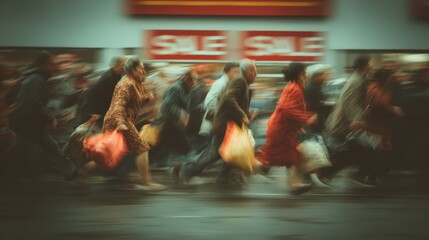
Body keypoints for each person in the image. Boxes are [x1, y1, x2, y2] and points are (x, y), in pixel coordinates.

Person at [76, 58, 164, 191]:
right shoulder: (126, 84)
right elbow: (118, 105)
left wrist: (144, 98)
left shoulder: (133, 83)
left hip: (120, 120)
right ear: (134, 70)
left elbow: (132, 102)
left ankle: (83, 171)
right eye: (141, 69)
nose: (144, 72)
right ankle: (146, 182)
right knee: (142, 148)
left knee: (111, 153)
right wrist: (120, 123)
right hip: (120, 121)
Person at [174, 58, 256, 186]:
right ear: (249, 71)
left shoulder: (244, 82)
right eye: (255, 71)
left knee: (226, 154)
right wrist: (242, 114)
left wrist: (247, 114)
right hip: (224, 126)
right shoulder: (240, 81)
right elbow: (229, 98)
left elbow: (236, 102)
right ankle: (186, 170)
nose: (256, 74)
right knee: (213, 154)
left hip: (230, 126)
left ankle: (223, 178)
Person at [9, 51, 74, 178]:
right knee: (48, 147)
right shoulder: (36, 80)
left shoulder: (35, 78)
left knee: (18, 149)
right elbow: (35, 103)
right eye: (51, 64)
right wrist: (50, 118)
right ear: (44, 64)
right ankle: (72, 173)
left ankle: (71, 172)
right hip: (28, 123)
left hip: (26, 122)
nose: (54, 67)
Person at [257, 62, 317, 194]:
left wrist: (299, 125)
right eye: (304, 73)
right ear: (299, 74)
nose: (306, 76)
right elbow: (287, 109)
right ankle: (295, 185)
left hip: (282, 128)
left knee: (285, 156)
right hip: (281, 129)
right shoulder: (294, 88)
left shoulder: (293, 86)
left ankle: (294, 184)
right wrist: (306, 118)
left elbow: (289, 109)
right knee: (291, 155)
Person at [320, 55, 376, 185]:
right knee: (362, 150)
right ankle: (328, 173)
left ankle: (327, 174)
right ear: (364, 65)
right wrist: (357, 122)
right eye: (370, 63)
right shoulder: (356, 80)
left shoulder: (359, 78)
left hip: (347, 123)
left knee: (350, 151)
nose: (372, 66)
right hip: (346, 123)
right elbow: (350, 103)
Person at [149, 69, 197, 167]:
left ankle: (148, 160)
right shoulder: (176, 88)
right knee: (186, 146)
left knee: (161, 144)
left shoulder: (184, 88)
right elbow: (167, 105)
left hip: (172, 123)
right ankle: (191, 167)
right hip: (170, 122)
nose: (194, 84)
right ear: (186, 78)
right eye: (193, 81)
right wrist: (181, 114)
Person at [77, 57, 125, 127]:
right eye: (122, 65)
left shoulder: (116, 74)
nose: (124, 67)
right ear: (115, 67)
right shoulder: (110, 78)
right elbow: (109, 97)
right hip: (91, 106)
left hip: (98, 106)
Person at [199, 62, 240, 136]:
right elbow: (209, 102)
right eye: (235, 72)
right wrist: (222, 114)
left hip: (218, 125)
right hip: (213, 125)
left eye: (238, 72)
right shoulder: (221, 83)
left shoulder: (228, 83)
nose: (237, 75)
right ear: (227, 72)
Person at [304, 64, 332, 134]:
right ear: (316, 76)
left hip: (319, 121)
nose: (325, 77)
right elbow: (314, 106)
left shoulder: (318, 86)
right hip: (313, 123)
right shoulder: (310, 89)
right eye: (323, 75)